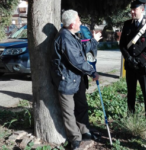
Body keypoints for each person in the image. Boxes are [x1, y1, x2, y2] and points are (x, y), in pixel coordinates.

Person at [51, 10, 102, 149]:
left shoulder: (71, 35)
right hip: (66, 80)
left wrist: (93, 41)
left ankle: (85, 132)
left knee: (82, 106)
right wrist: (92, 72)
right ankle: (75, 139)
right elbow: (77, 61)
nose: (80, 23)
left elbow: (82, 48)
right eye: (79, 20)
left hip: (76, 79)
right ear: (73, 23)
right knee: (69, 112)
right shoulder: (64, 38)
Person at [119, 0, 146, 126]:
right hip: (130, 66)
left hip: (144, 66)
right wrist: (129, 58)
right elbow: (122, 45)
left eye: (134, 9)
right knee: (130, 93)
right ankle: (131, 115)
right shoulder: (127, 24)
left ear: (142, 9)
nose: (132, 12)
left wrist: (139, 59)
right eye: (131, 9)